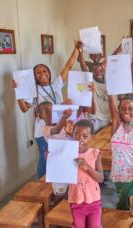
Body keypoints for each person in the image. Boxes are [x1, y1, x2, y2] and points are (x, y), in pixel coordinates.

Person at [12, 41, 82, 178]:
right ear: (35, 77)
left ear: (49, 73)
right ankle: (41, 185)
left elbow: (68, 66)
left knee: (58, 156)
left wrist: (77, 50)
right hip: (43, 131)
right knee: (45, 158)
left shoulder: (55, 85)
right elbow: (24, 109)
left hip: (59, 128)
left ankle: (57, 180)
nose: (42, 74)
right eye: (38, 73)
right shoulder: (34, 91)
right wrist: (18, 92)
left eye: (44, 71)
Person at [68, 119, 104, 228]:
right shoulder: (68, 153)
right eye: (76, 134)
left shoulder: (95, 154)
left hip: (94, 202)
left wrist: (87, 167)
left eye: (85, 136)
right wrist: (51, 157)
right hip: (76, 202)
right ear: (72, 135)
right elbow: (58, 171)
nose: (80, 139)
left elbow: (101, 178)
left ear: (91, 138)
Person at [37, 101, 72, 204]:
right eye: (46, 112)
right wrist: (64, 117)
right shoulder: (45, 129)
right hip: (57, 165)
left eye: (52, 111)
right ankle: (54, 210)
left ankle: (63, 212)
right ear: (40, 116)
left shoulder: (64, 125)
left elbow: (70, 136)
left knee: (68, 190)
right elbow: (56, 130)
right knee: (59, 192)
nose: (50, 114)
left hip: (67, 161)